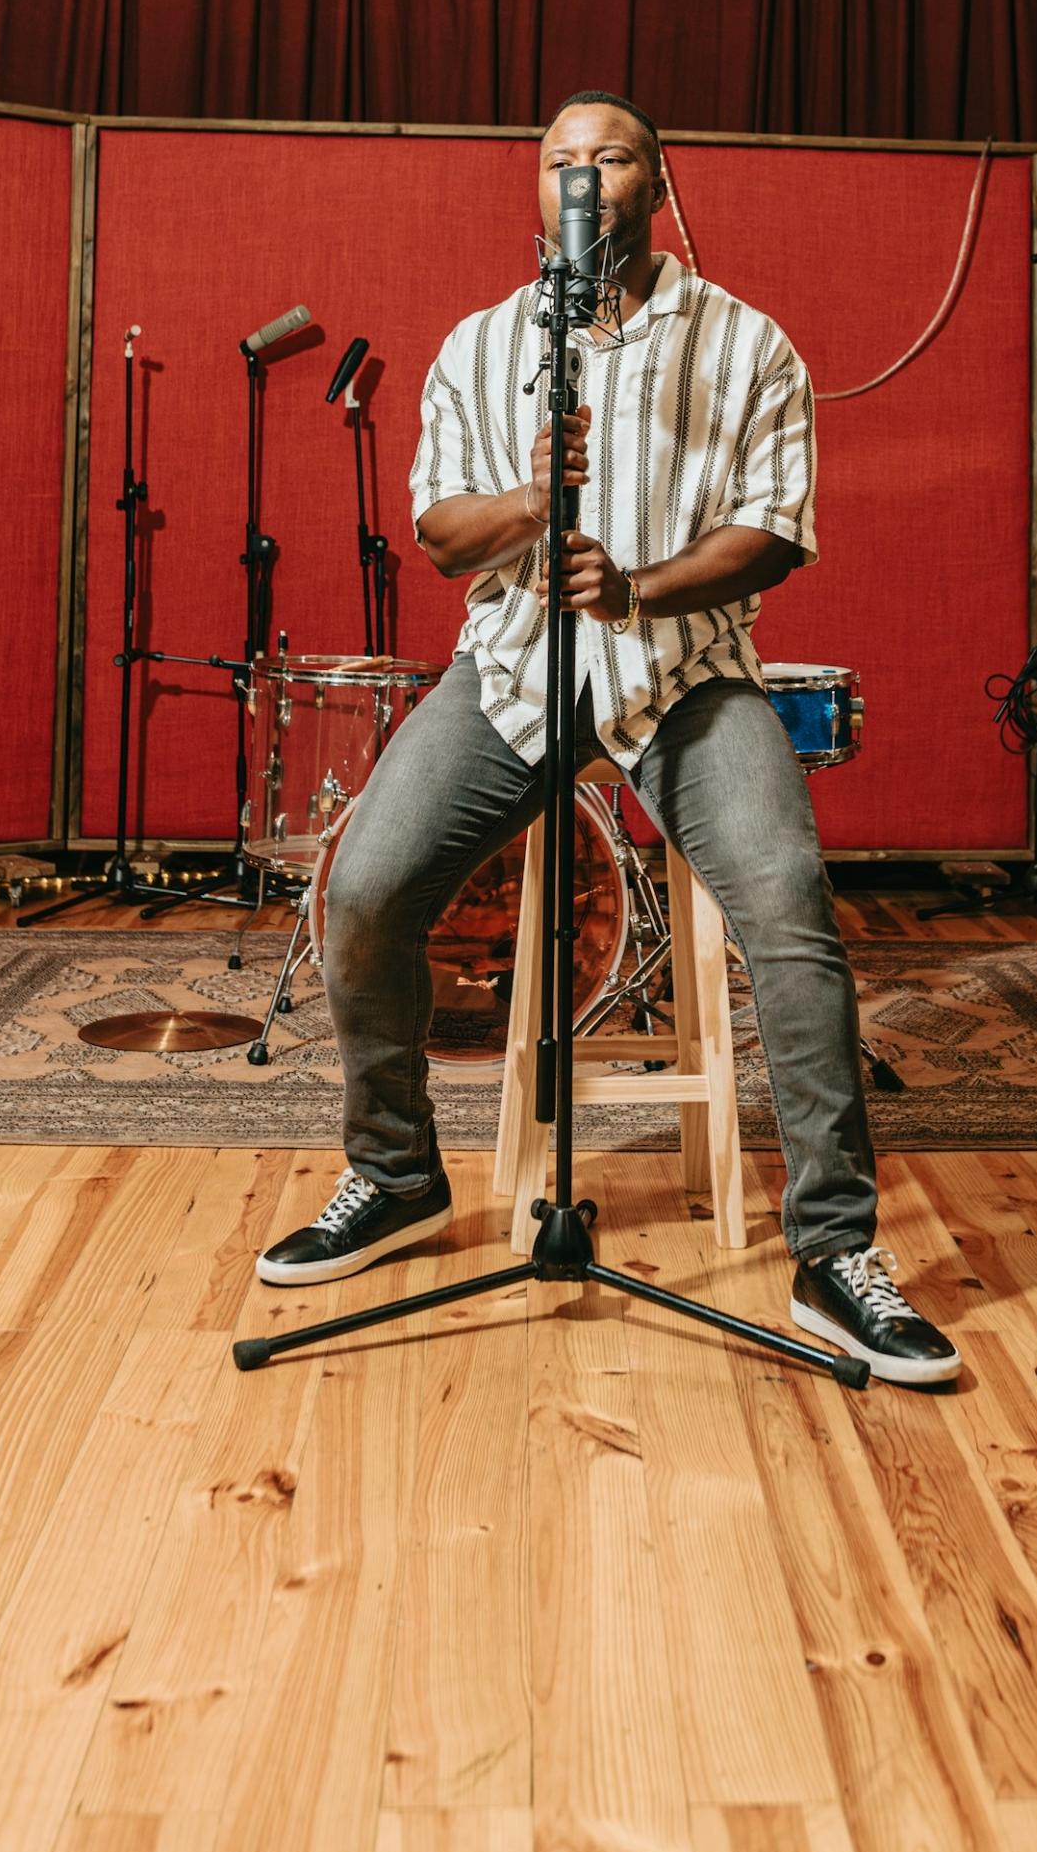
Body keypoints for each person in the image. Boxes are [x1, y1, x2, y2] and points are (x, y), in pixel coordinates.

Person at [255, 90, 960, 1387]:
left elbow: (778, 527)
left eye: (611, 157)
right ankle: (397, 1174)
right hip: (517, 674)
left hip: (685, 678)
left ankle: (835, 1254)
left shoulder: (748, 343)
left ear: (658, 179)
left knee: (792, 906)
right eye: (560, 161)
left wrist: (639, 589)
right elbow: (436, 531)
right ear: (535, 189)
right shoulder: (483, 348)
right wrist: (534, 500)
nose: (583, 178)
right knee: (359, 889)